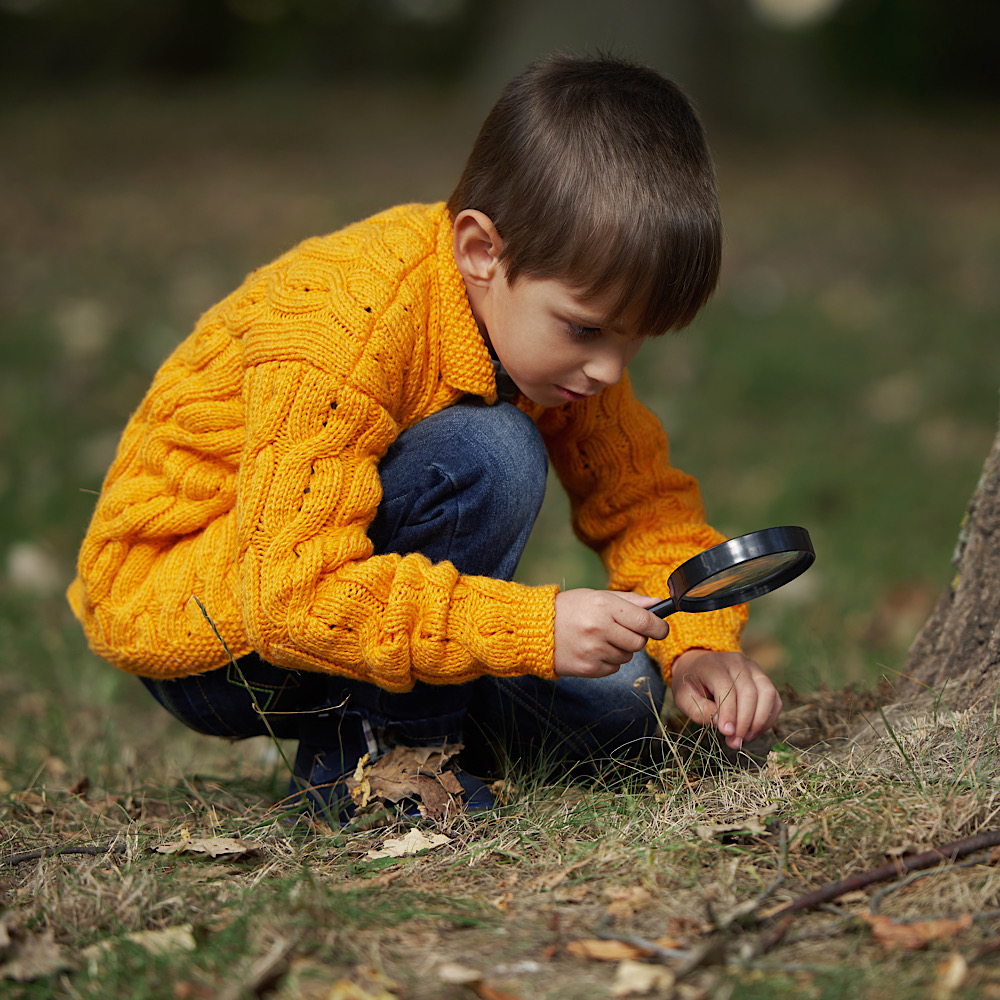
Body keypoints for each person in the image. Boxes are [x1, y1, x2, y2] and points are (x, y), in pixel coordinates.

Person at [67, 53, 782, 822]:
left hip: (345, 600)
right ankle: (385, 775)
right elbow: (289, 596)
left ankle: (387, 723)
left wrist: (700, 644)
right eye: (587, 328)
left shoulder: (565, 355)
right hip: (220, 622)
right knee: (492, 452)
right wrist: (531, 628)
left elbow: (644, 506)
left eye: (635, 339)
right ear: (483, 251)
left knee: (623, 705)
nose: (610, 369)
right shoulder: (346, 325)